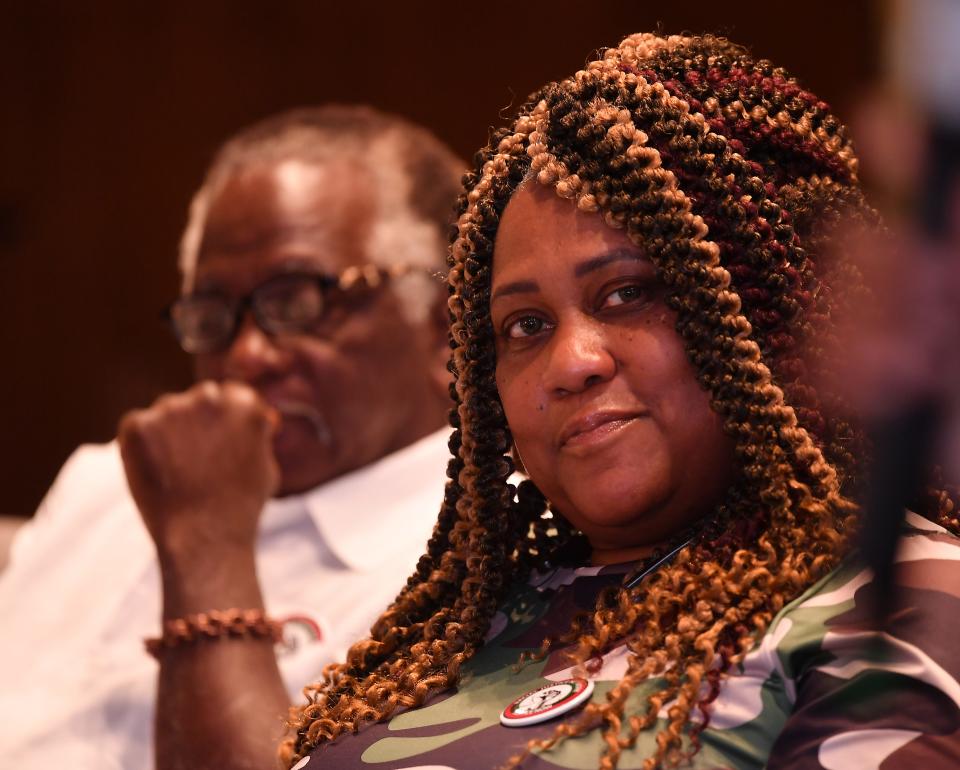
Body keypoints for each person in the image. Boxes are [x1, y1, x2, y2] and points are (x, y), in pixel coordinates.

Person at [274, 34, 960, 770]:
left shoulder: (895, 600)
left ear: (773, 307)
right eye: (526, 327)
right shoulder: (451, 628)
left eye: (629, 294)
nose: (572, 364)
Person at [0, 105, 463, 770]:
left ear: (443, 317)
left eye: (299, 300)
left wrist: (205, 541)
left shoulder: (480, 544)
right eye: (214, 314)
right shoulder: (107, 481)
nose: (248, 356)